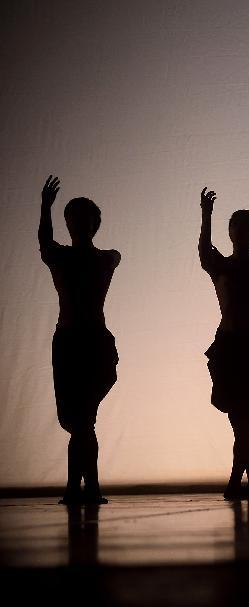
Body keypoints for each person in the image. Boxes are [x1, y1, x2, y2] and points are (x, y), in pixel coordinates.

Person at [39, 175, 120, 505]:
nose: (79, 224)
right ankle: (84, 487)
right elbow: (46, 242)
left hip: (93, 343)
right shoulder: (64, 257)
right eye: (73, 219)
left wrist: (46, 208)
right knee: (80, 422)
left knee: (83, 419)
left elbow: (47, 243)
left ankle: (83, 487)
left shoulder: (106, 258)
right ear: (67, 223)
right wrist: (45, 208)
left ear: (95, 223)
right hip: (70, 342)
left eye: (85, 219)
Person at [199, 187, 249, 500]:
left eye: (246, 227)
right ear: (230, 232)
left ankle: (241, 478)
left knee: (246, 416)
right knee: (241, 416)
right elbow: (206, 252)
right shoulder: (223, 267)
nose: (239, 232)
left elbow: (211, 256)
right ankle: (248, 477)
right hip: (230, 345)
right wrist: (206, 215)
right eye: (235, 226)